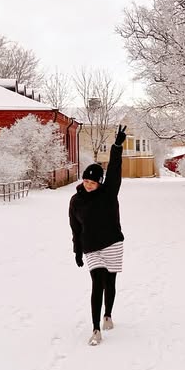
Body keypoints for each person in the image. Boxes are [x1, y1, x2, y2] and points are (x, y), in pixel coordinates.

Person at [69, 125, 127, 345]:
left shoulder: (109, 192)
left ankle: (108, 315)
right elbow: (75, 228)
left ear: (99, 182)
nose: (88, 185)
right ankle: (95, 329)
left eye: (92, 182)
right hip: (91, 246)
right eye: (86, 181)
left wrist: (116, 146)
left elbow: (114, 169)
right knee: (97, 283)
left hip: (112, 242)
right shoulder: (76, 201)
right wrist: (77, 251)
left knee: (109, 282)